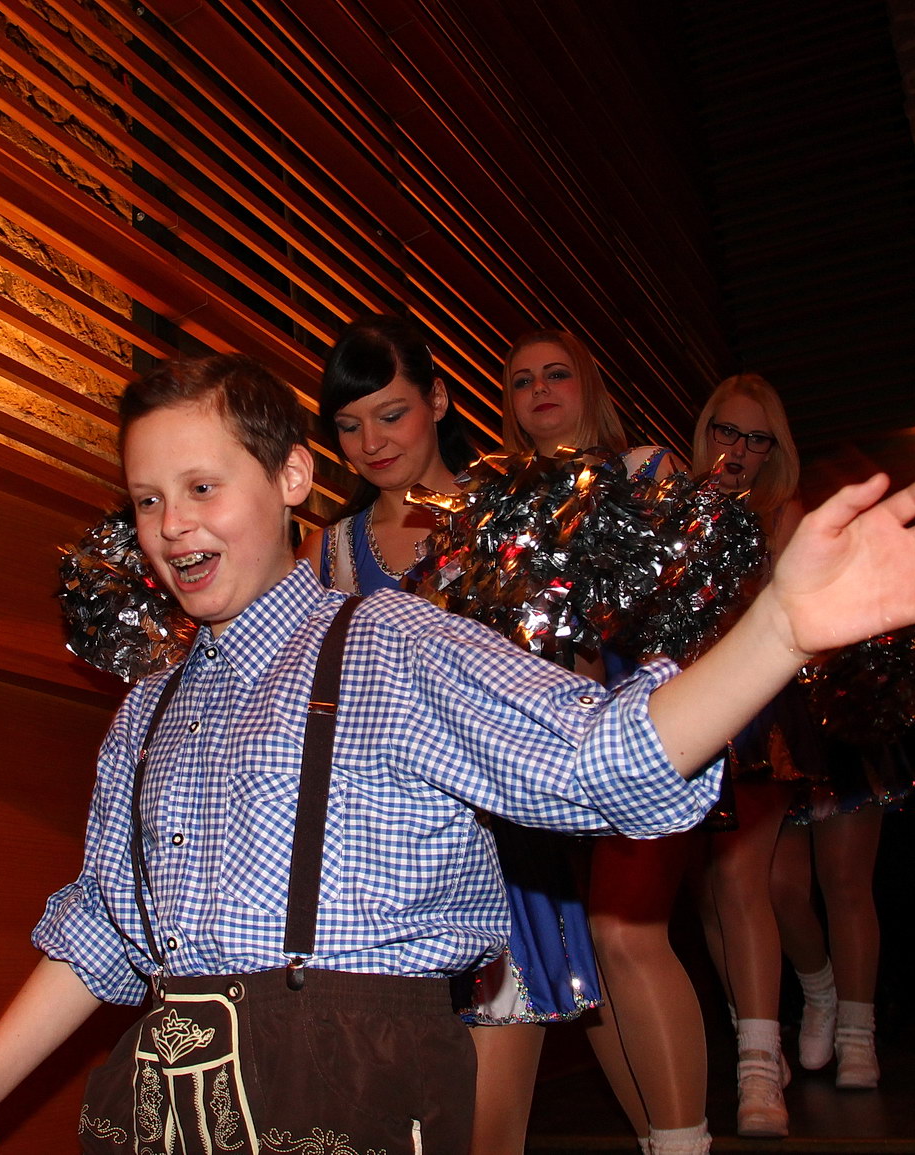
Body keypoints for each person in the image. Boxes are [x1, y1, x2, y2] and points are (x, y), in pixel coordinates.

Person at [0, 352, 915, 1155]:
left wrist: (778, 631)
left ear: (291, 476)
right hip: (167, 1113)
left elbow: (598, 759)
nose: (173, 526)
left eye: (200, 486)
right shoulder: (146, 711)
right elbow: (99, 932)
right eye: (147, 499)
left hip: (354, 1095)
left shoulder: (391, 646)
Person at [299, 315, 596, 1155]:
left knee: (484, 1136)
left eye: (391, 413)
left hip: (503, 861)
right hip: (377, 879)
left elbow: (573, 673)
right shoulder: (325, 553)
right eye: (349, 425)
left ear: (437, 399)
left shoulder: (512, 511)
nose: (371, 442)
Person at [505, 330, 722, 1154]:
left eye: (557, 373)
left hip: (648, 727)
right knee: (588, 967)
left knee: (626, 934)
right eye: (522, 380)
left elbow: (696, 598)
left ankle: (686, 1143)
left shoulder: (643, 469)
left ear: (590, 387)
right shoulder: (501, 507)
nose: (540, 389)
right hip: (548, 751)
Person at [687, 375, 806, 1138]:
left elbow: (782, 615)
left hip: (759, 708)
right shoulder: (670, 504)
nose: (737, 448)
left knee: (742, 880)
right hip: (685, 707)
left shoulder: (783, 516)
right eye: (726, 431)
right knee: (707, 895)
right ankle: (756, 1034)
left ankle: (759, 1067)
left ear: (774, 452)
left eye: (756, 439)